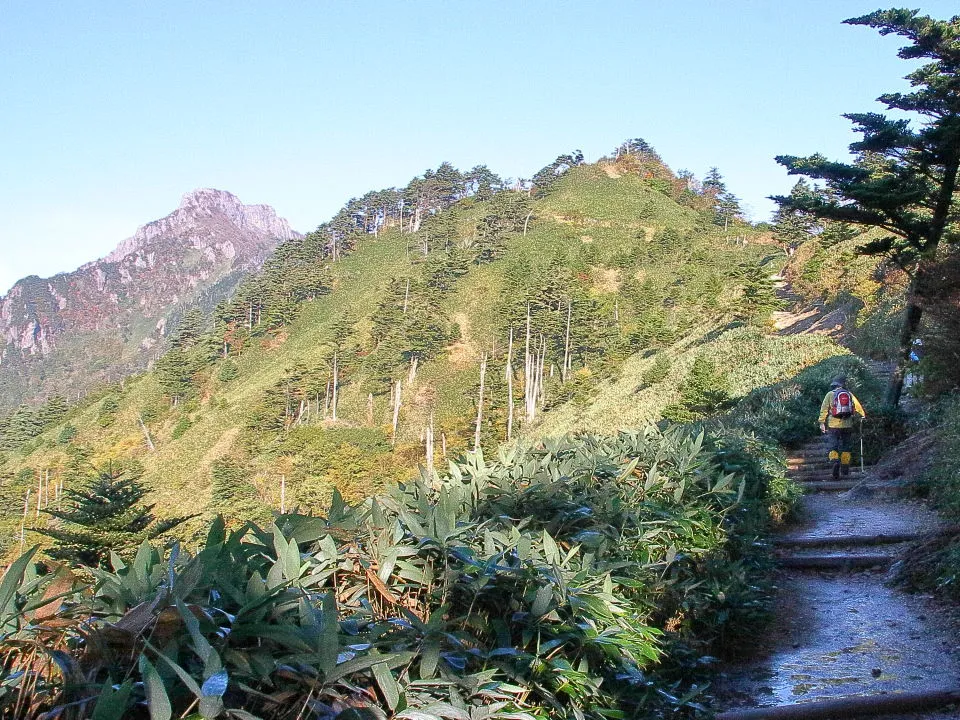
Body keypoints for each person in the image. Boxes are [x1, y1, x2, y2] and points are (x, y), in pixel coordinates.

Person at [818, 376, 866, 479]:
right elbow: (858, 407)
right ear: (842, 385)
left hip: (833, 425)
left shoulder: (830, 395)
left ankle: (835, 462)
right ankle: (845, 466)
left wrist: (822, 422)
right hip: (847, 425)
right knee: (846, 446)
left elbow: (824, 409)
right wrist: (862, 415)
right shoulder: (849, 394)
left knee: (833, 446)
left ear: (834, 385)